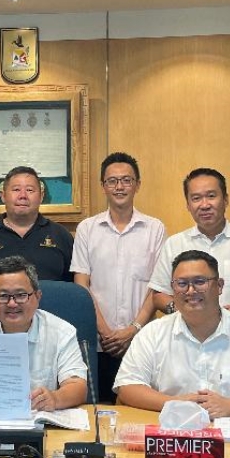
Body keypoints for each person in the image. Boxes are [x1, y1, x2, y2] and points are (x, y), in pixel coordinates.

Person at [115, 250, 230, 414]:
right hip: (173, 436)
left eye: (200, 282)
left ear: (219, 286)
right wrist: (175, 403)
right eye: (182, 283)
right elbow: (127, 386)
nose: (191, 290)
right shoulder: (153, 333)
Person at [71, 152, 165, 403]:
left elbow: (157, 286)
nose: (119, 186)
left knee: (138, 408)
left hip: (141, 341)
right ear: (103, 186)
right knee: (97, 408)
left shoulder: (155, 228)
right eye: (112, 181)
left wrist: (133, 329)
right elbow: (82, 284)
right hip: (98, 342)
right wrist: (104, 330)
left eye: (126, 180)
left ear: (137, 185)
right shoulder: (87, 229)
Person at [0, 256, 88, 413]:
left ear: (37, 297)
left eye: (21, 295)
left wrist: (55, 398)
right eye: (3, 296)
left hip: (42, 421)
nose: (12, 303)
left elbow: (77, 386)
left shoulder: (62, 332)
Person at [149, 168, 230, 317]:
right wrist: (179, 310)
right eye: (196, 198)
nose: (204, 205)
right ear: (188, 205)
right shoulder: (174, 244)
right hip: (186, 333)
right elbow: (158, 294)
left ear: (225, 199)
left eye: (211, 196)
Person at [0, 165, 74, 285]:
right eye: (16, 190)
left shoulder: (61, 235)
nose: (23, 196)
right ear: (3, 196)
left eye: (30, 190)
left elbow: (72, 288)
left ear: (41, 196)